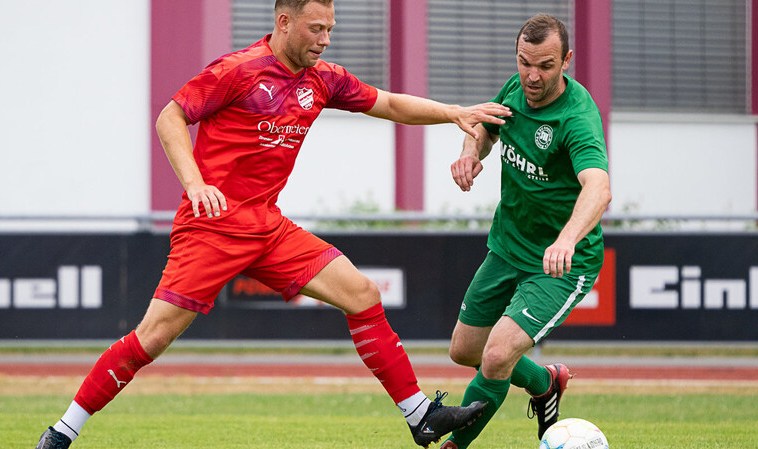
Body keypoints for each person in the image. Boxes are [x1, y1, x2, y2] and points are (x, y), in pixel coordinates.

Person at [34, 1, 513, 448]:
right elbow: (170, 116)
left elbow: (387, 104)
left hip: (267, 228)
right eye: (316, 28)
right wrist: (197, 183)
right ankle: (61, 433)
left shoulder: (323, 79)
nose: (325, 40)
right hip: (212, 228)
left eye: (330, 29)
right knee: (153, 338)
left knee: (362, 294)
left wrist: (454, 112)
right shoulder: (237, 70)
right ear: (284, 21)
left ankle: (419, 416)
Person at [439, 14, 611, 449]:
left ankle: (453, 446)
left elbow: (599, 187)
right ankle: (546, 382)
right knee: (465, 350)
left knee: (496, 356)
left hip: (560, 264)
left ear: (567, 61)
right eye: (524, 62)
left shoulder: (576, 117)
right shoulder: (516, 89)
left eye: (546, 66)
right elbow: (484, 126)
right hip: (506, 249)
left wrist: (567, 238)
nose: (533, 76)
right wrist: (469, 153)